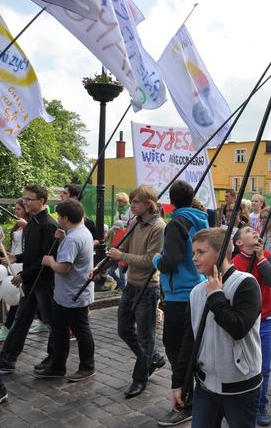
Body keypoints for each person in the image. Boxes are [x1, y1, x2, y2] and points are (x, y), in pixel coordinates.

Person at [171, 228, 262, 428]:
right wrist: (178, 383)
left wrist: (216, 297)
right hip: (205, 386)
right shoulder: (196, 292)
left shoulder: (246, 284)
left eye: (201, 252)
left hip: (240, 387)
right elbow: (190, 340)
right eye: (193, 252)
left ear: (221, 252)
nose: (194, 258)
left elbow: (238, 328)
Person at [153, 180, 208, 426]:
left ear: (171, 201)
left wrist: (157, 260)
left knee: (176, 349)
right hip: (198, 289)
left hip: (180, 296)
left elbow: (171, 259)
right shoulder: (201, 219)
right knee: (190, 347)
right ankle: (195, 397)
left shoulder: (177, 223)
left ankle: (185, 401)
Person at [103, 185, 166, 399]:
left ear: (148, 204)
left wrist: (122, 256)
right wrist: (102, 266)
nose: (132, 205)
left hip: (148, 288)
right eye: (131, 201)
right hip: (131, 285)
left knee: (146, 337)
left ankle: (140, 379)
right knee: (123, 329)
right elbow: (125, 249)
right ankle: (153, 358)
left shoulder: (159, 227)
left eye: (136, 202)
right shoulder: (134, 222)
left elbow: (151, 262)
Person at [0, 184, 58, 375]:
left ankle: (55, 359)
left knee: (52, 322)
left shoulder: (48, 225)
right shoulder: (32, 221)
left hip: (45, 283)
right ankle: (7, 360)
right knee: (21, 319)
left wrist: (23, 274)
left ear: (42, 201)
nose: (25, 202)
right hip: (32, 282)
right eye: (25, 198)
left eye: (30, 199)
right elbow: (33, 253)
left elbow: (47, 259)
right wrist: (17, 258)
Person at [37, 199, 95, 381]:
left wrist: (50, 262)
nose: (57, 219)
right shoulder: (79, 231)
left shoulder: (73, 238)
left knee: (80, 331)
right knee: (59, 331)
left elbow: (64, 268)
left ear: (66, 218)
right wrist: (62, 238)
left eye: (59, 216)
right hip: (66, 294)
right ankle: (57, 366)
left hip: (73, 294)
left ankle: (87, 367)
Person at [231, 226, 271, 426]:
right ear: (238, 242)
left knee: (264, 368)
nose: (254, 232)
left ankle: (261, 404)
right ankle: (240, 403)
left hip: (265, 321)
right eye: (248, 231)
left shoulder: (265, 255)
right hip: (245, 323)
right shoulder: (234, 264)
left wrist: (260, 258)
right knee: (241, 366)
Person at [0, 200, 28, 343]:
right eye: (15, 208)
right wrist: (5, 254)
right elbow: (14, 247)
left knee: (17, 296)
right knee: (24, 297)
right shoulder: (17, 225)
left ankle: (6, 329)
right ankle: (44, 321)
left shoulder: (29, 225)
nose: (16, 211)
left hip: (23, 262)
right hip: (14, 262)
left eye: (19, 209)